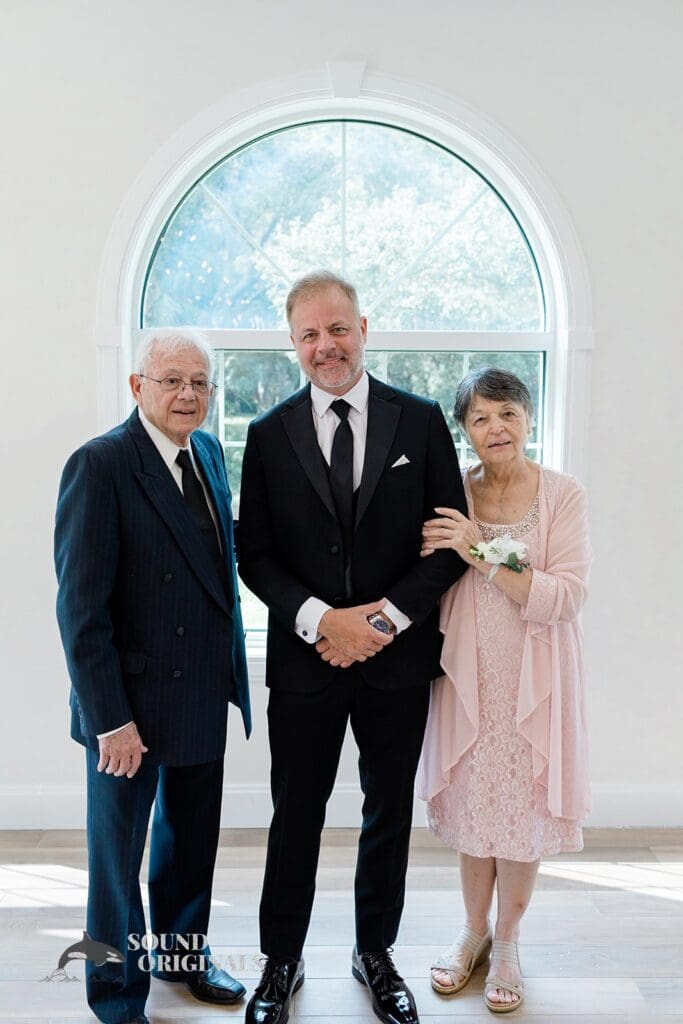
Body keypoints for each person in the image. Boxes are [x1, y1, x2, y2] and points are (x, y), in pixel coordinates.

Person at [237, 270, 467, 1024]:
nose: (324, 345)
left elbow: (445, 544)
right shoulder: (269, 435)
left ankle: (376, 955)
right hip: (306, 664)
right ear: (293, 344)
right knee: (294, 812)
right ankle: (281, 962)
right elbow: (255, 553)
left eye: (336, 329)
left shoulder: (421, 419)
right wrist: (317, 620)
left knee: (385, 812)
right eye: (308, 334)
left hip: (395, 661)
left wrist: (379, 623)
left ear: (363, 329)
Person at [54, 328, 251, 1024]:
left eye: (199, 382)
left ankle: (182, 959)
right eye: (171, 380)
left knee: (188, 847)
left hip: (199, 686)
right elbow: (81, 612)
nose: (187, 394)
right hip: (127, 706)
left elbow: (217, 567)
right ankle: (114, 995)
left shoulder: (207, 450)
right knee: (117, 863)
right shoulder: (101, 464)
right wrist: (110, 717)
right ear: (138, 387)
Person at [417, 366, 591, 1014]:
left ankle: (509, 941)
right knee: (473, 807)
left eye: (507, 413)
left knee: (522, 814)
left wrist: (482, 553)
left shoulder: (561, 494)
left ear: (527, 419)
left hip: (536, 678)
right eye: (480, 417)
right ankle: (472, 932)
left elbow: (565, 596)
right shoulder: (452, 492)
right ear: (464, 430)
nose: (496, 428)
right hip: (469, 673)